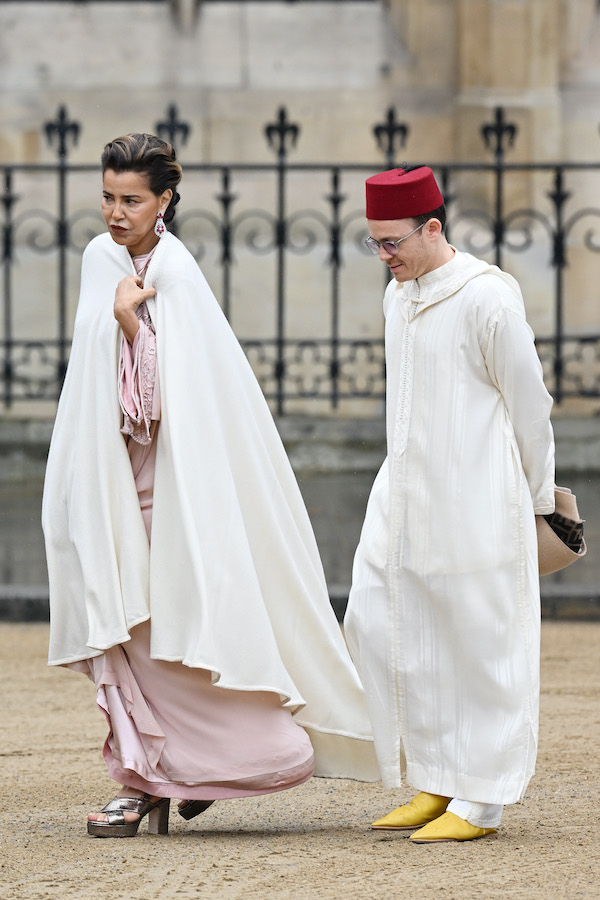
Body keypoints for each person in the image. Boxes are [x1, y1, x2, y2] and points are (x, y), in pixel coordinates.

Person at [42, 133, 379, 838]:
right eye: (107, 196)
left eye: (131, 199)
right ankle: (143, 781)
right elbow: (88, 390)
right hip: (110, 477)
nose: (115, 211)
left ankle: (202, 767)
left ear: (165, 200)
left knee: (173, 622)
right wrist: (118, 327)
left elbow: (172, 406)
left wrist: (133, 326)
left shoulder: (179, 271)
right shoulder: (98, 260)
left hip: (173, 483)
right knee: (124, 626)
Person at [344, 165, 555, 843]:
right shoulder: (397, 296)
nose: (385, 255)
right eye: (374, 243)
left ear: (432, 227)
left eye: (392, 242)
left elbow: (531, 405)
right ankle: (435, 777)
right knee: (386, 625)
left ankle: (482, 798)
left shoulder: (488, 298)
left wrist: (541, 499)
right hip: (405, 491)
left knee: (477, 640)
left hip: (477, 495)